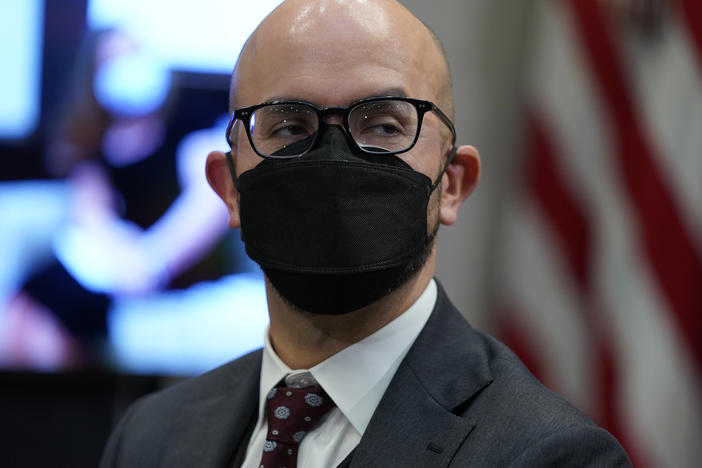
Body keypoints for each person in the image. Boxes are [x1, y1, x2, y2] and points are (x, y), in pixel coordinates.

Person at [100, 1, 632, 466]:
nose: (334, 159)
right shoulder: (150, 437)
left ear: (451, 183)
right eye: (289, 126)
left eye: (384, 125)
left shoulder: (549, 456)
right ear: (230, 188)